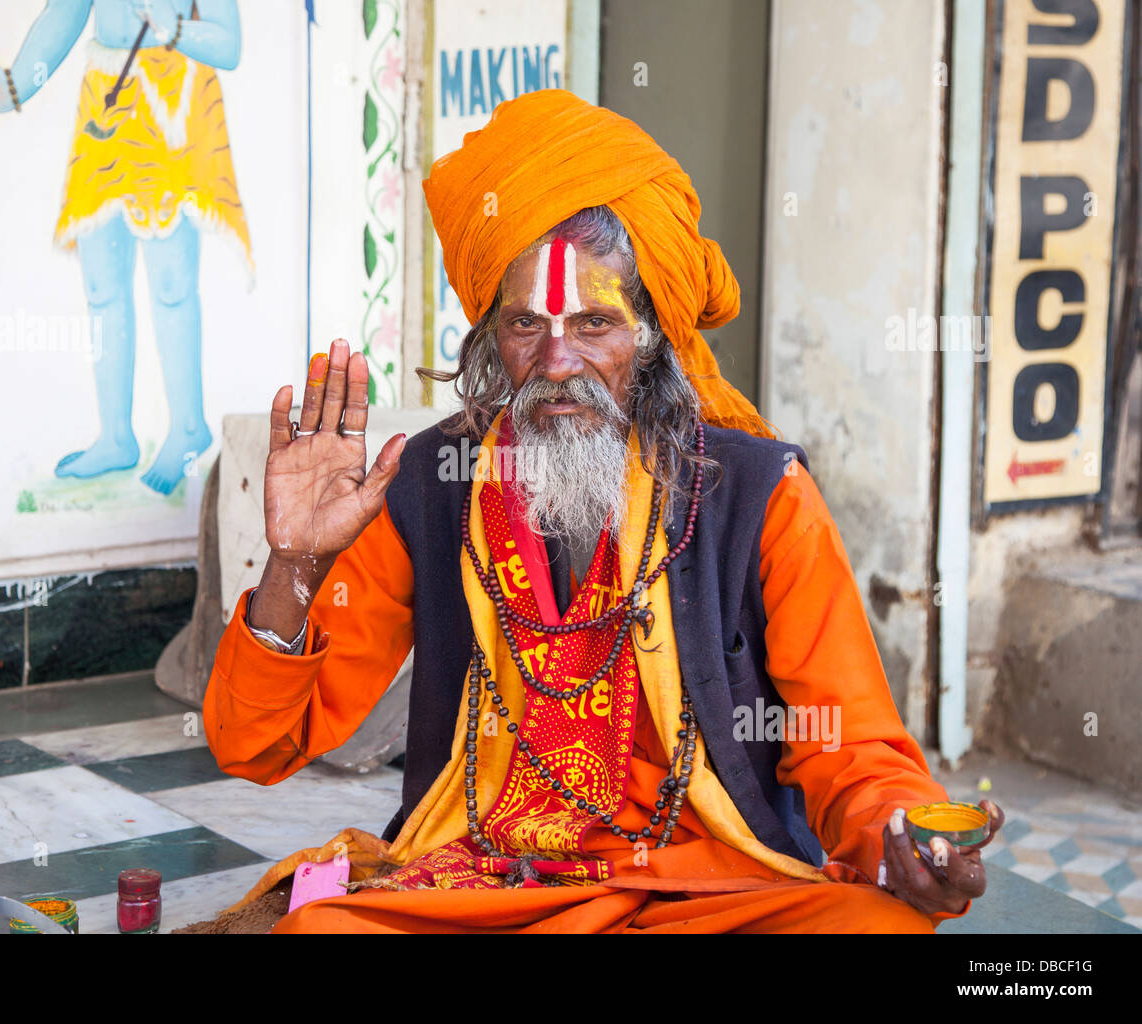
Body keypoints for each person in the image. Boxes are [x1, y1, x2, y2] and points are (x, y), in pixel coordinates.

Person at [203, 89, 1003, 933]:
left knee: (876, 927)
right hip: (496, 880)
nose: (558, 360)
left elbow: (847, 745)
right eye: (525, 326)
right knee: (321, 931)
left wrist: (896, 838)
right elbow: (254, 744)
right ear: (488, 339)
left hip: (708, 890)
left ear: (653, 335)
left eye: (594, 323)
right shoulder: (433, 489)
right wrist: (294, 562)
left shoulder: (760, 496)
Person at [0, 0, 251, 495]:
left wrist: (175, 29)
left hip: (172, 103)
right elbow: (65, 13)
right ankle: (115, 436)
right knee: (101, 281)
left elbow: (229, 45)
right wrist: (13, 85)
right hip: (107, 99)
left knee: (172, 284)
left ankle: (189, 426)